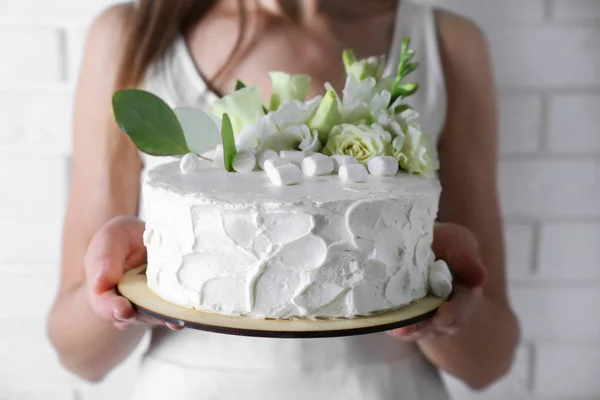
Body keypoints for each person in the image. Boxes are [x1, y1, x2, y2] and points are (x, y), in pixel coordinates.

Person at [47, 0, 520, 399]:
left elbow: (489, 362)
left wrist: (441, 304)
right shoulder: (132, 37)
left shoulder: (446, 42)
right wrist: (120, 285)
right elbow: (78, 357)